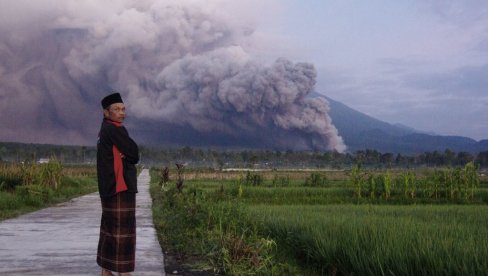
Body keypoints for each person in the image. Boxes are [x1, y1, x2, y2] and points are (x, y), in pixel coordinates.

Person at [96, 92, 139, 276]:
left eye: (123, 109)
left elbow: (128, 153)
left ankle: (106, 271)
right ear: (106, 112)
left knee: (109, 229)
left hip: (109, 187)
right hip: (119, 187)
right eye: (117, 109)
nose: (122, 113)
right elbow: (134, 153)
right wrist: (128, 154)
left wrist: (126, 154)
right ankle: (123, 272)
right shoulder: (114, 129)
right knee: (123, 231)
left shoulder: (104, 129)